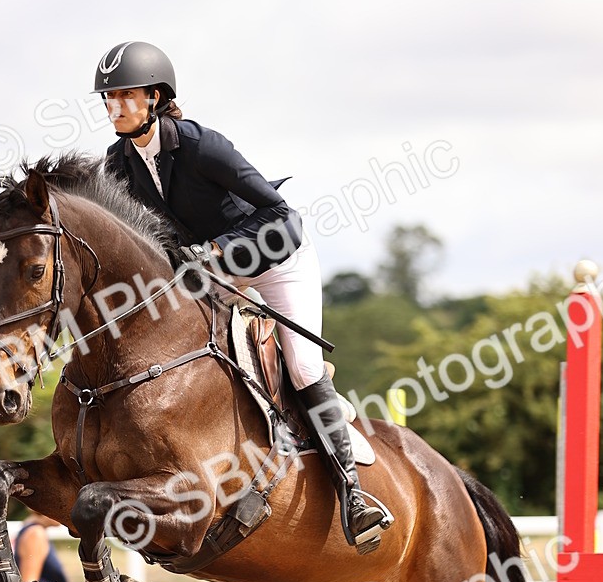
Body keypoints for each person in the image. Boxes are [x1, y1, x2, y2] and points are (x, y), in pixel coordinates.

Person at [93, 40, 391, 554]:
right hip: (214, 276)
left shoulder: (204, 146)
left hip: (275, 260)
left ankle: (352, 492)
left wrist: (212, 250)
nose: (114, 106)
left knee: (301, 366)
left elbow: (279, 215)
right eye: (108, 98)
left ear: (157, 97)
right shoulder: (118, 164)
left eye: (125, 95)